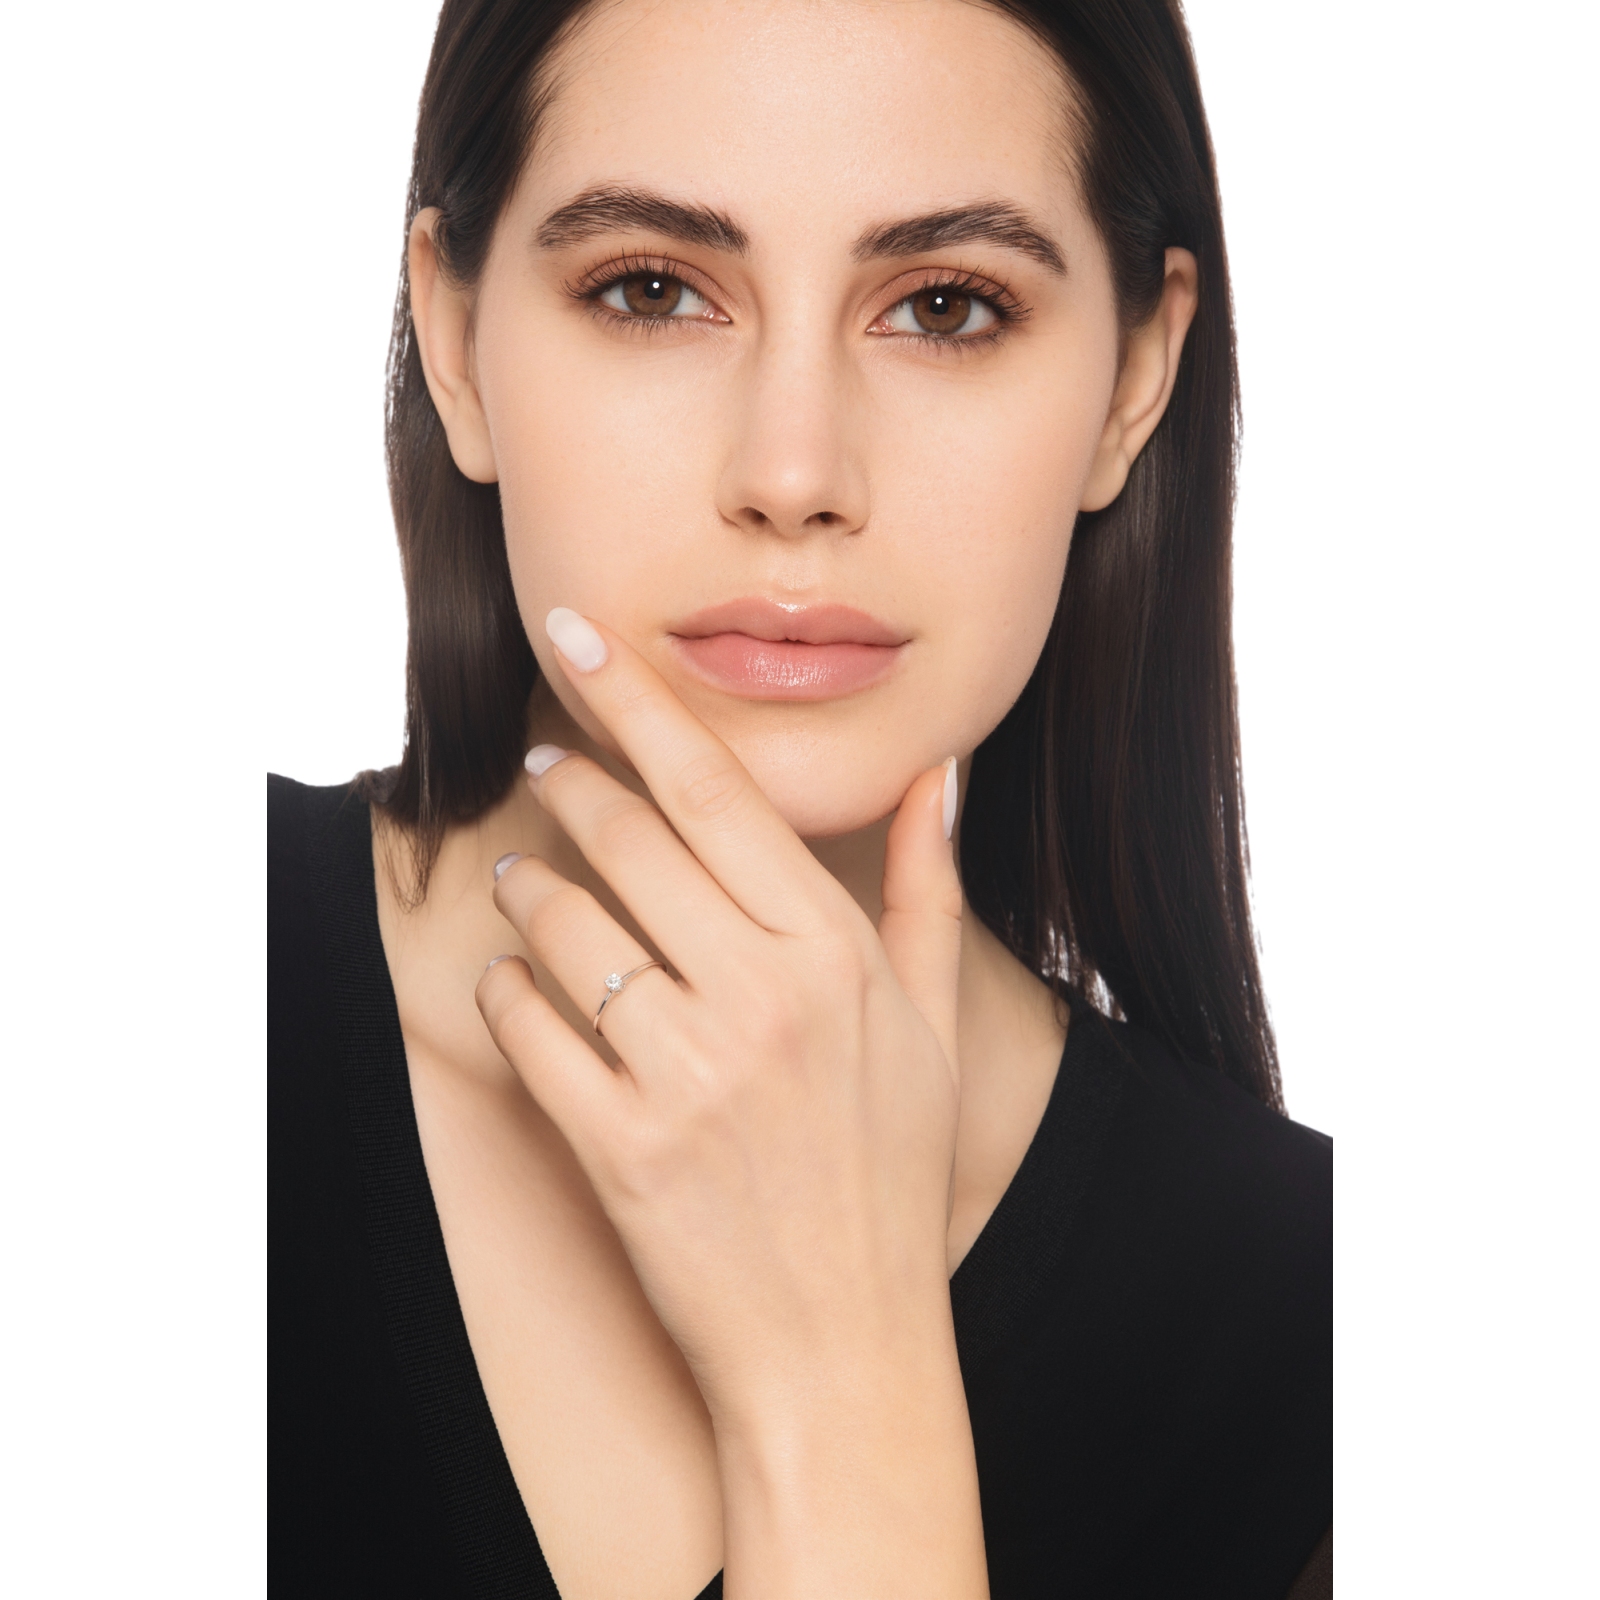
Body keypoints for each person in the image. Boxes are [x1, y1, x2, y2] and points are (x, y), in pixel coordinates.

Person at [268, 0, 1332, 1594]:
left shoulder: (1328, 1353)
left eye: (946, 308)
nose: (792, 471)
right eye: (651, 289)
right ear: (456, 336)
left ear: (1134, 378)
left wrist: (842, 1388)